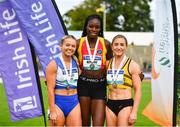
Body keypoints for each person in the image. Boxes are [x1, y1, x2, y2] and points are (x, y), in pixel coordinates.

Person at [75, 14, 113, 126]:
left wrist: (134, 74)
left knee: (98, 124)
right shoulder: (78, 43)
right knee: (85, 124)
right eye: (91, 26)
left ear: (100, 28)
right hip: (83, 86)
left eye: (97, 27)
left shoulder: (106, 44)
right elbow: (66, 58)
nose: (94, 29)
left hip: (100, 87)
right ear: (86, 27)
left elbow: (112, 64)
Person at [106, 34, 142, 126]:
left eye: (122, 45)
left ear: (126, 47)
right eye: (116, 44)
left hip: (125, 105)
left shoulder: (133, 65)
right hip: (110, 104)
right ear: (112, 46)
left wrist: (134, 112)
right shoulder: (107, 64)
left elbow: (138, 90)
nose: (119, 47)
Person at [46, 35, 82, 126]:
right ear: (61, 46)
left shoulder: (76, 63)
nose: (70, 48)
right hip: (58, 103)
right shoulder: (53, 64)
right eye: (67, 45)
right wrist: (52, 111)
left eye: (73, 46)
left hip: (74, 102)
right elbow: (50, 89)